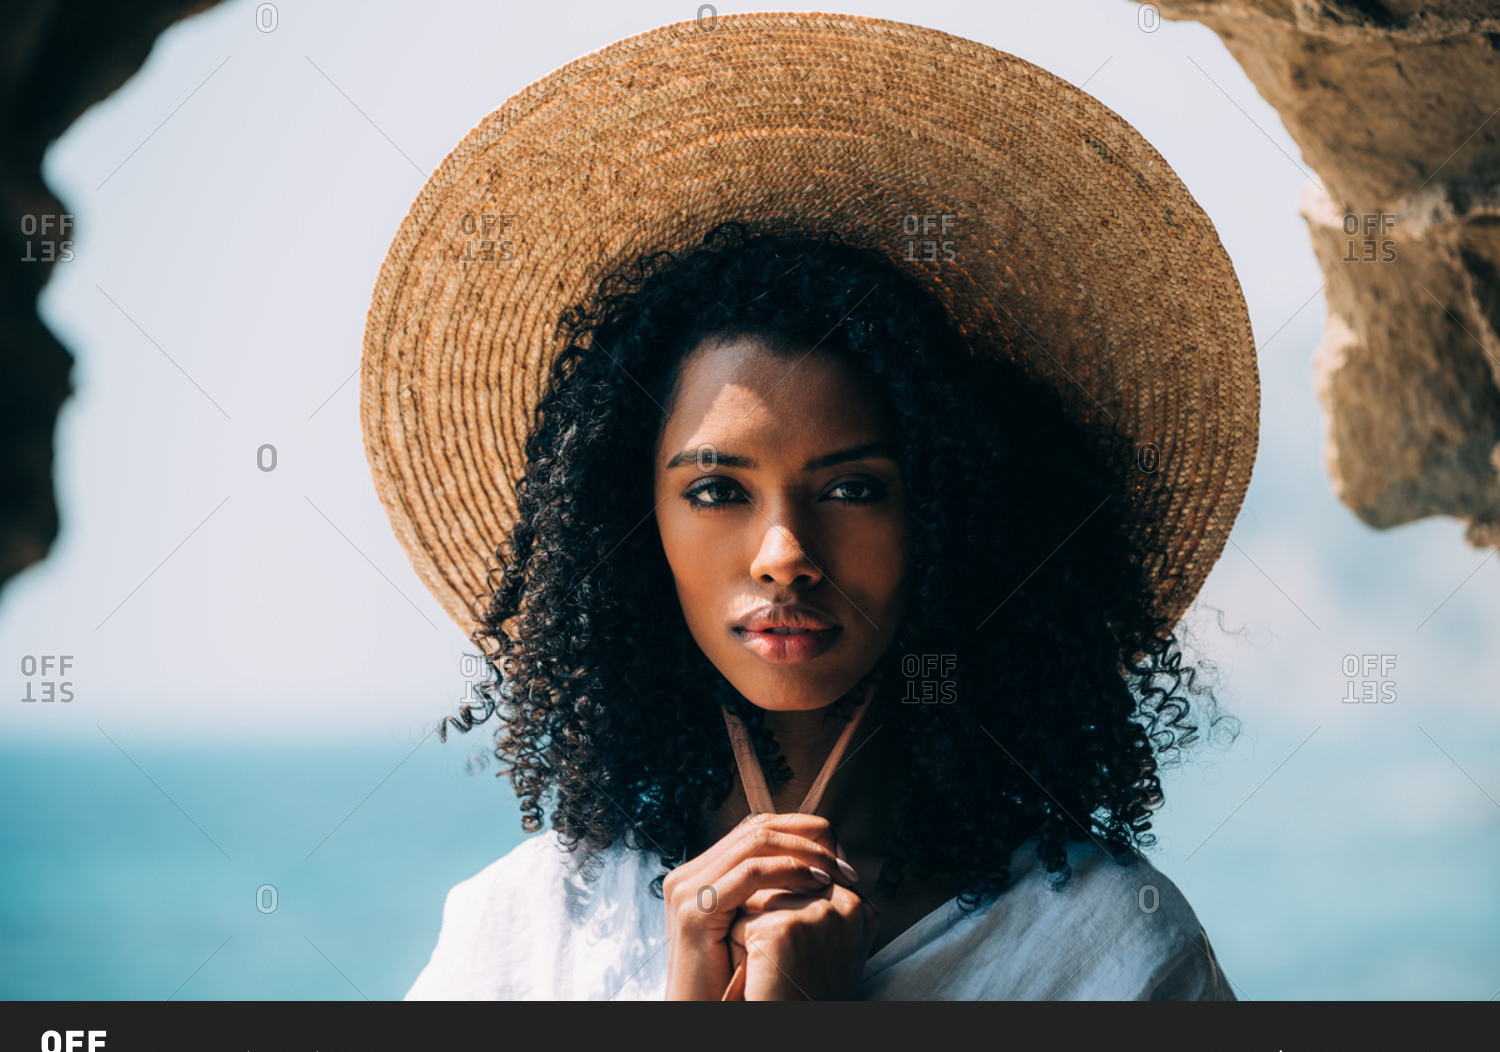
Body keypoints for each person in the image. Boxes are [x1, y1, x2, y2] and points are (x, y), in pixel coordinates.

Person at [359, 14, 1259, 1000]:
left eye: (853, 487)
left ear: (950, 517)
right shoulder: (523, 929)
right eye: (716, 491)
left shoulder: (1111, 949)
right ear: (633, 529)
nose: (785, 550)